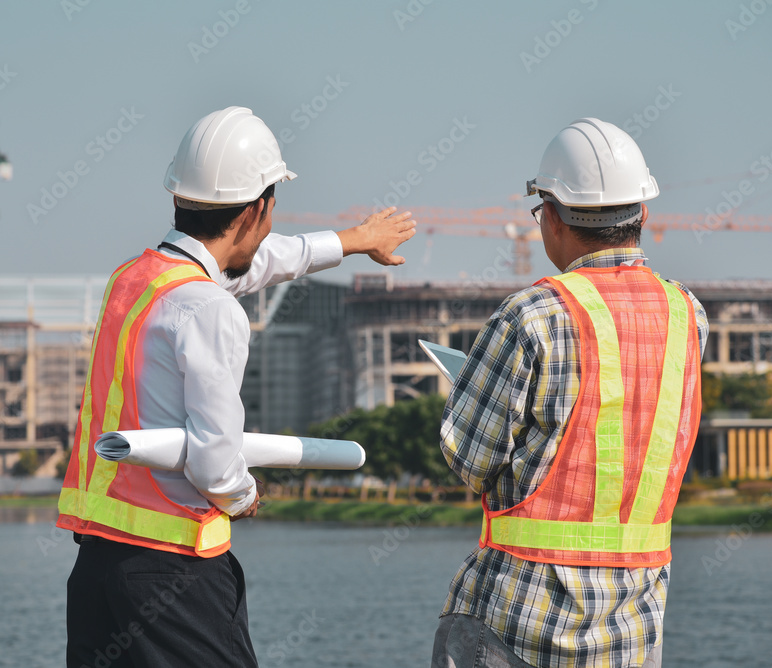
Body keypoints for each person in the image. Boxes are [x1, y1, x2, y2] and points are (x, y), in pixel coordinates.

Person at [57, 106, 415, 667]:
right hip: (175, 572)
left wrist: (353, 240)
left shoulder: (132, 281)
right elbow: (215, 462)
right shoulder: (209, 309)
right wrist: (244, 496)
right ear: (259, 209)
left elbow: (265, 260)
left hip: (98, 565)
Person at [432, 118, 708, 668]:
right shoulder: (688, 315)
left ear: (552, 215)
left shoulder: (532, 314)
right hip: (633, 630)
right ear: (643, 213)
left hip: (514, 619)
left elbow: (468, 458)